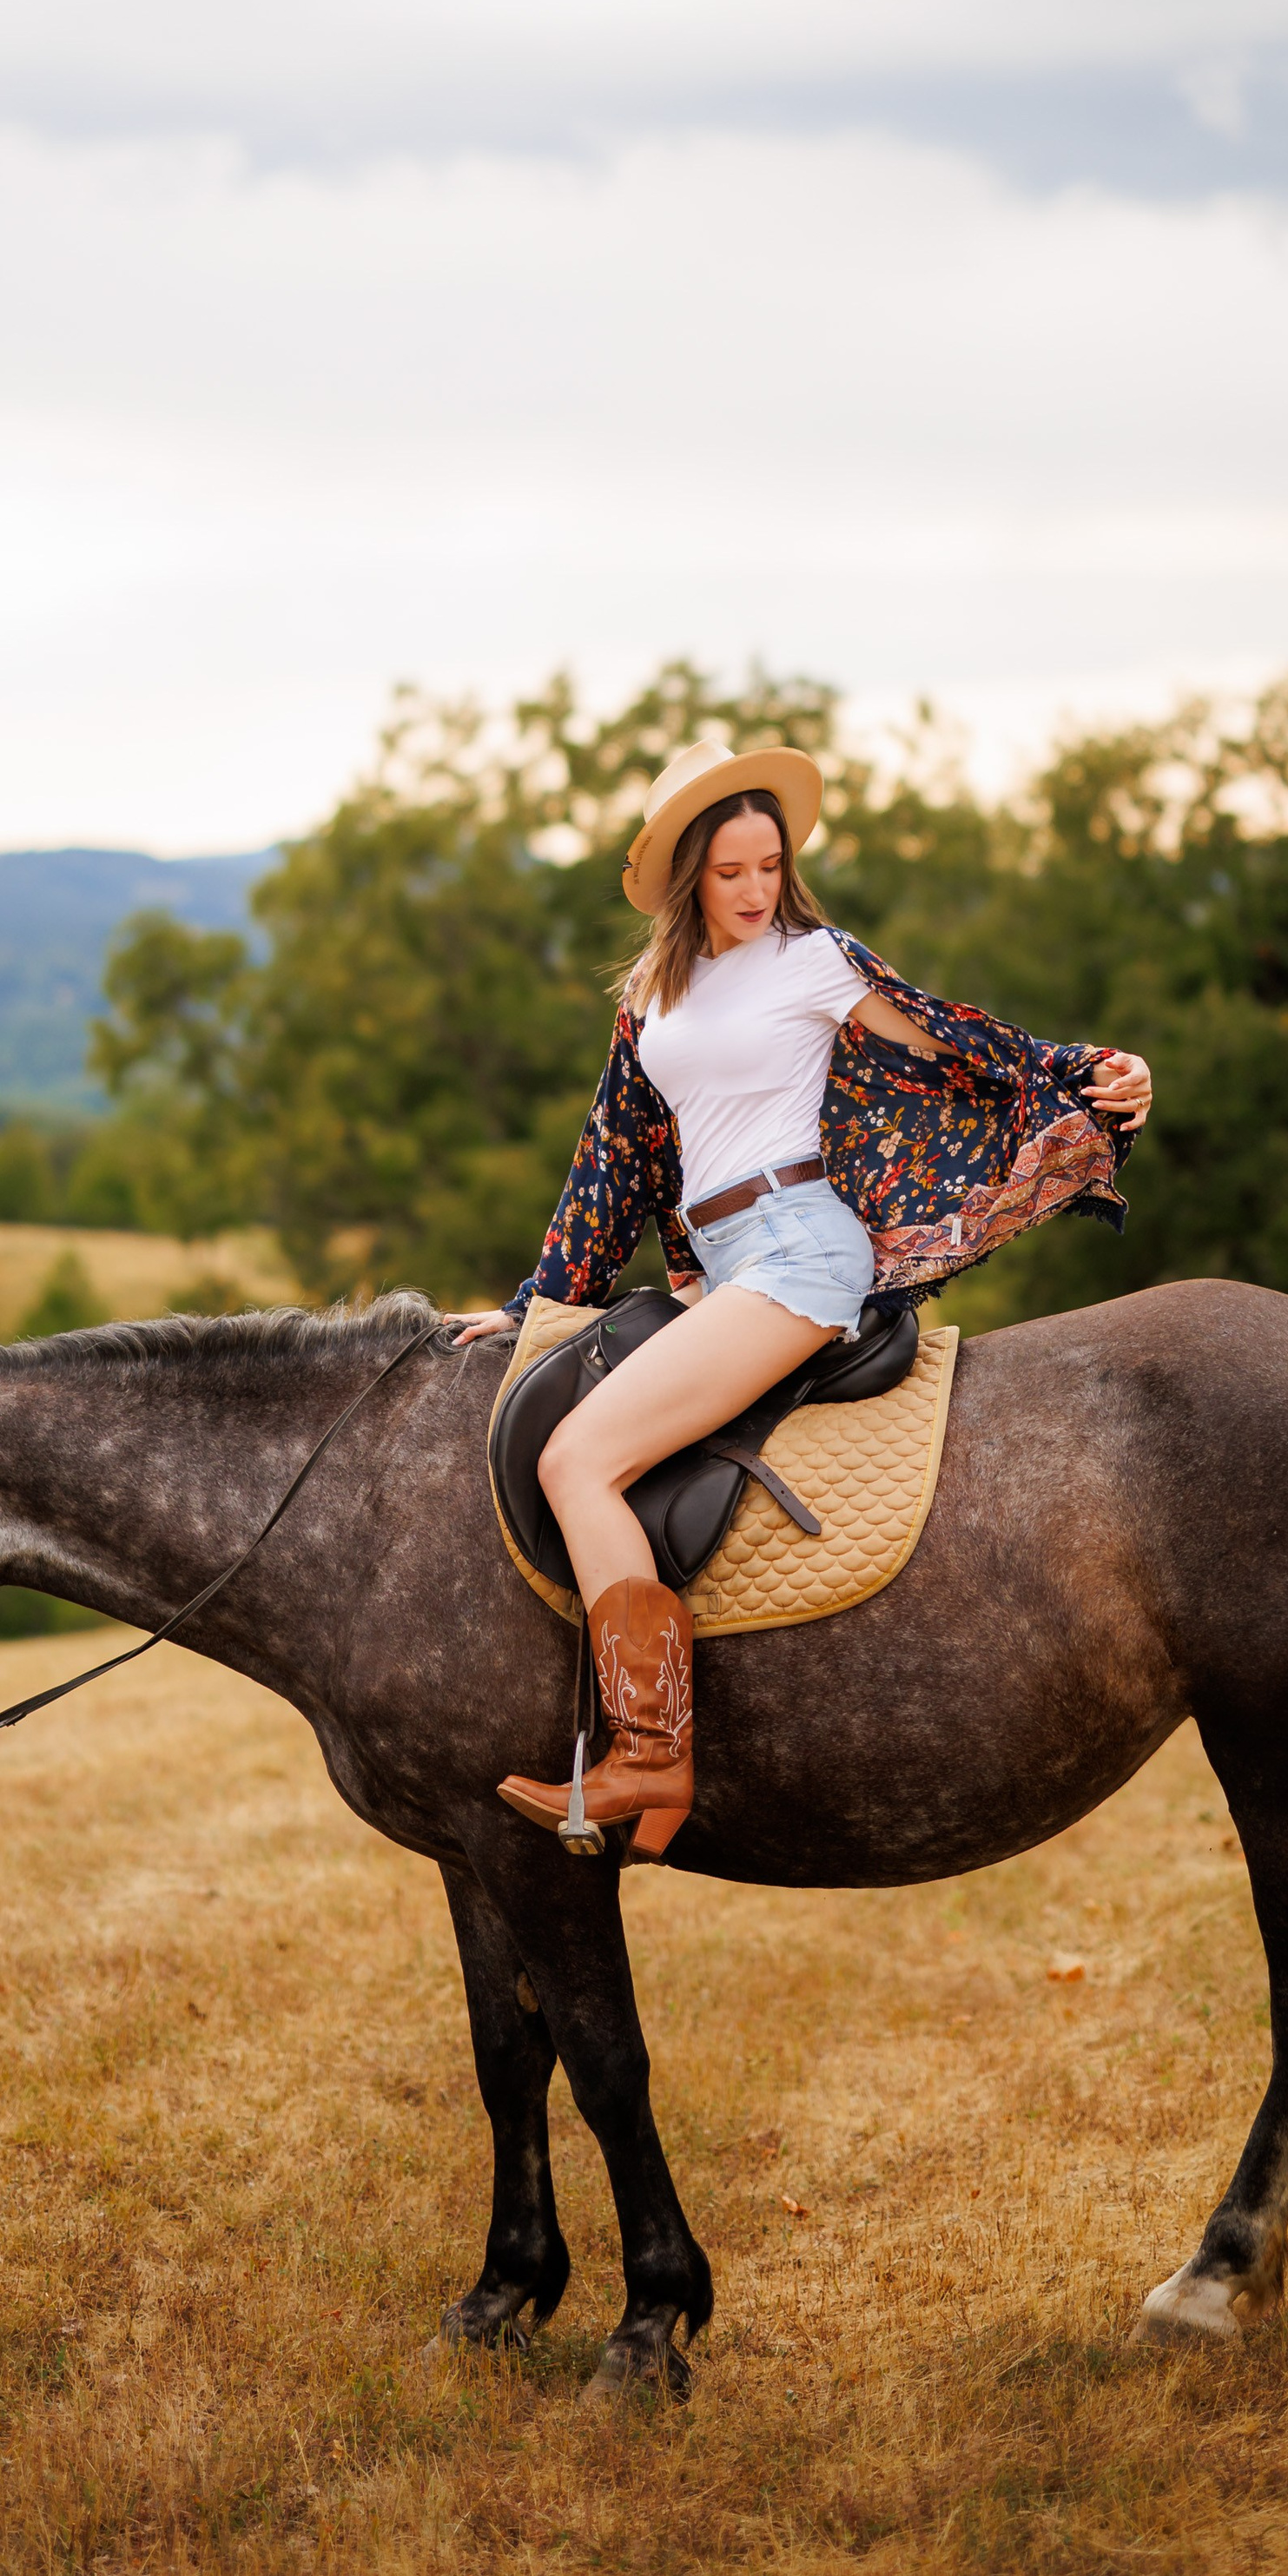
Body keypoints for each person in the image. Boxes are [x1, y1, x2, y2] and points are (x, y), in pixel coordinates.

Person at [455, 739, 1153, 1854]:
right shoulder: (651, 996)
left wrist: (1092, 1073)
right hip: (717, 1264)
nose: (753, 891)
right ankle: (654, 1759)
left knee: (576, 1460)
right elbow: (614, 1160)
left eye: (769, 866)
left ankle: (648, 1755)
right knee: (587, 1438)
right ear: (687, 876)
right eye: (729, 871)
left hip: (797, 1250)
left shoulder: (813, 961)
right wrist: (532, 1300)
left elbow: (963, 1045)